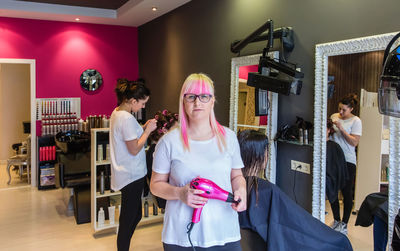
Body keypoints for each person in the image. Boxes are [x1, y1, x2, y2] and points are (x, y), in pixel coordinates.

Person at [150, 73, 247, 251]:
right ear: (183, 101)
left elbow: (237, 176)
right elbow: (155, 185)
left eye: (204, 96)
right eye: (191, 96)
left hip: (224, 232)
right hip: (181, 236)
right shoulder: (169, 142)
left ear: (212, 101)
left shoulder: (229, 137)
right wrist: (179, 193)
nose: (197, 102)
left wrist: (241, 189)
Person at [237, 130, 353, 251]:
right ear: (260, 156)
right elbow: (301, 228)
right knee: (341, 242)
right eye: (266, 152)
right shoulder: (268, 191)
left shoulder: (234, 189)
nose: (267, 156)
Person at [109, 79, 157, 251]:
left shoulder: (117, 112)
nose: (143, 107)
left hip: (128, 173)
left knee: (135, 214)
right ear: (133, 100)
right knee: (129, 218)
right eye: (142, 103)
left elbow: (129, 137)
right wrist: (147, 131)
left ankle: (124, 246)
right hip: (131, 175)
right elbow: (135, 149)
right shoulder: (126, 118)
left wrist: (142, 128)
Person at [330, 93, 362, 235]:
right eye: (339, 109)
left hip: (348, 160)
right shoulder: (334, 116)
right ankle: (336, 220)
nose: (341, 112)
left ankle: (344, 224)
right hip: (333, 158)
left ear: (351, 109)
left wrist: (342, 129)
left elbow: (354, 142)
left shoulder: (356, 121)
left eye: (344, 110)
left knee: (346, 192)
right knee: (331, 189)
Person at [143, 109, 179, 209]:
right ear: (165, 131)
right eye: (176, 130)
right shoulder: (156, 151)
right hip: (166, 196)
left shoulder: (159, 147)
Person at [326, 119, 349, 228]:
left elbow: (337, 167)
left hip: (332, 176)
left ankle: (337, 220)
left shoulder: (334, 146)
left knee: (330, 183)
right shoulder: (315, 146)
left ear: (329, 130)